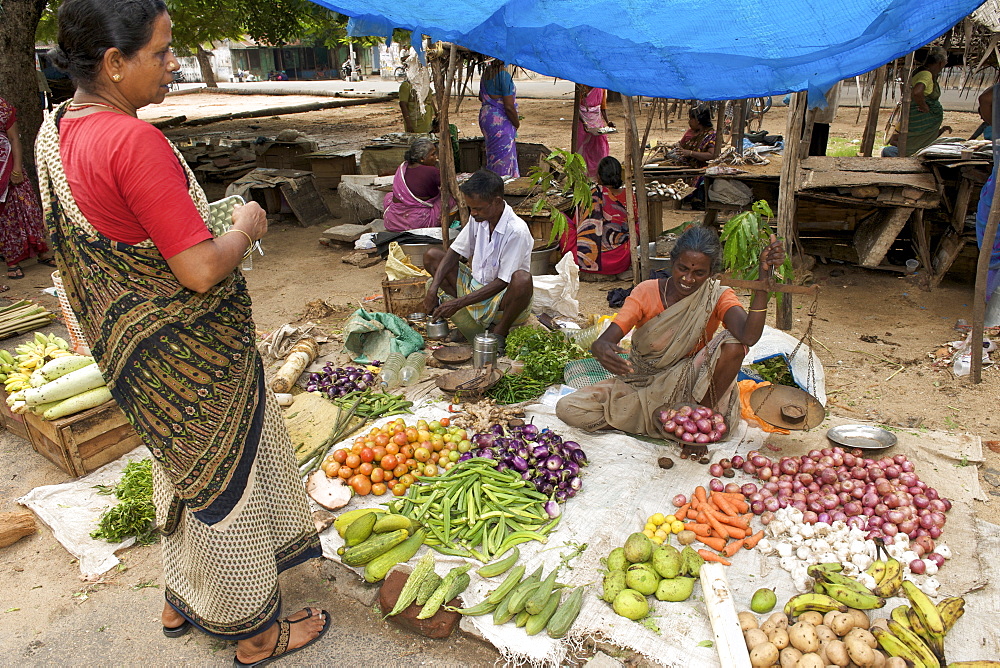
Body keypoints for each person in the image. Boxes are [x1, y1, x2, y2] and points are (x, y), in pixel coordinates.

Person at [36, 2, 328, 665]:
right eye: (163, 52)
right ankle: (252, 631)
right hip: (189, 353)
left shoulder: (58, 129)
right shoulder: (133, 142)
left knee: (179, 472)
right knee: (224, 482)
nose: (174, 63)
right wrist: (246, 227)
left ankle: (181, 593)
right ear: (114, 62)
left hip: (138, 358)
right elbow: (198, 270)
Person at [556, 226, 785, 454]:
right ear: (671, 262)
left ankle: (697, 423)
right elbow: (609, 337)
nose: (688, 279)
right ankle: (665, 422)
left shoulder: (716, 295)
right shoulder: (646, 292)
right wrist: (601, 346)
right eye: (682, 268)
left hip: (690, 384)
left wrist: (763, 283)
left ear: (712, 273)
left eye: (699, 273)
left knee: (734, 344)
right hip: (641, 380)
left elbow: (748, 336)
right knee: (569, 408)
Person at [422, 169, 533, 353]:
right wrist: (433, 289)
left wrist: (458, 303)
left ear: (497, 202)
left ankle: (500, 331)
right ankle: (473, 325)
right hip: (474, 288)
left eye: (478, 208)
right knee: (432, 256)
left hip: (501, 297)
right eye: (470, 208)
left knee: (523, 279)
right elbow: (455, 251)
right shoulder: (479, 218)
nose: (472, 213)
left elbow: (502, 282)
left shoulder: (516, 231)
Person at [0, 96, 55, 285]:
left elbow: (14, 139)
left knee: (27, 209)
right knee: (5, 219)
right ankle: (12, 260)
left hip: (9, 167)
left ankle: (42, 251)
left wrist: (16, 168)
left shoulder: (2, 107)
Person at [560, 156, 634, 278]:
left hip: (586, 261)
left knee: (562, 218)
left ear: (599, 176)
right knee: (636, 226)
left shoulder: (590, 194)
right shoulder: (630, 196)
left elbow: (578, 225)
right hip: (620, 261)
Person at [882, 48, 948, 157]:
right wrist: (924, 106)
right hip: (921, 118)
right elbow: (917, 92)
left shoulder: (920, 72)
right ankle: (911, 155)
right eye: (946, 62)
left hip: (923, 123)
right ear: (940, 63)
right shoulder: (926, 75)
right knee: (911, 146)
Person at [382, 137, 450, 231]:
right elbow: (445, 187)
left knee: (389, 196)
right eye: (433, 154)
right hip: (417, 223)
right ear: (422, 158)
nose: (436, 157)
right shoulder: (431, 171)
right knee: (450, 198)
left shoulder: (403, 167)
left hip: (393, 220)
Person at [479, 59, 520, 177]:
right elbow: (509, 107)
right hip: (500, 121)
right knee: (503, 158)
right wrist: (516, 123)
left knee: (493, 156)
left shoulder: (487, 73)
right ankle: (502, 186)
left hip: (487, 117)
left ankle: (493, 182)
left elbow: (481, 97)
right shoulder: (503, 76)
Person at [577, 84, 612, 178]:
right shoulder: (581, 87)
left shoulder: (602, 88)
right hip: (583, 121)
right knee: (583, 148)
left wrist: (608, 122)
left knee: (600, 148)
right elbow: (577, 108)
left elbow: (603, 107)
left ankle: (598, 174)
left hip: (597, 122)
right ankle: (583, 175)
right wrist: (585, 123)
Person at [398, 59, 434, 134]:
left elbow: (430, 99)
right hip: (415, 121)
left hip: (426, 120)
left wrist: (437, 113)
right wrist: (408, 123)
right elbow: (403, 104)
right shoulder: (406, 86)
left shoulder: (424, 84)